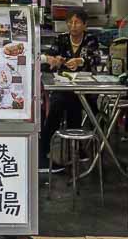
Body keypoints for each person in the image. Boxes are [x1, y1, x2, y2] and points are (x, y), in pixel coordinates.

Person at [38, 9, 102, 172]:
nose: (73, 26)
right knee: (61, 104)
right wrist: (56, 61)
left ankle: (78, 147)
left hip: (85, 89)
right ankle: (47, 150)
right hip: (63, 86)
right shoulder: (61, 39)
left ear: (85, 25)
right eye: (70, 22)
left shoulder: (91, 40)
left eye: (77, 22)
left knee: (76, 104)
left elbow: (96, 58)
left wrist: (80, 60)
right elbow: (48, 60)